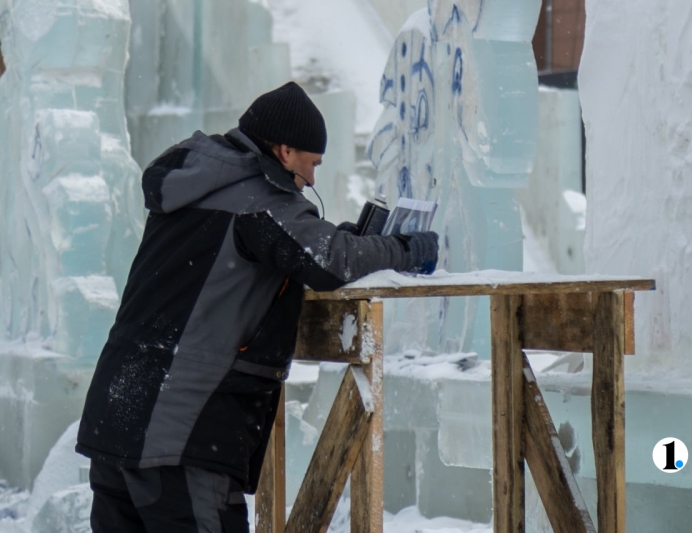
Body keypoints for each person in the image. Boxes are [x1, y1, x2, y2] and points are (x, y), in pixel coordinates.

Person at [75, 81, 439, 532]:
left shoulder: (202, 182)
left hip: (117, 418)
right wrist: (406, 248)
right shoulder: (259, 200)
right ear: (285, 152)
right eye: (312, 164)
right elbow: (334, 262)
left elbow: (290, 251)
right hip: (182, 433)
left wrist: (343, 238)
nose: (312, 180)